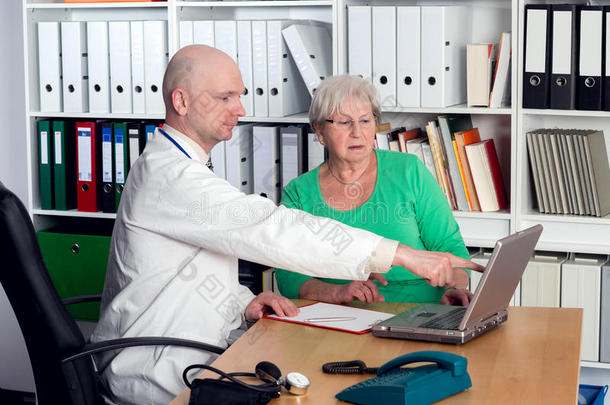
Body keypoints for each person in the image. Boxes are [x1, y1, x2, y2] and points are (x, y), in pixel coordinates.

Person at [90, 46, 483, 405]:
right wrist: (401, 255)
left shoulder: (184, 168)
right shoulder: (172, 178)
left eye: (240, 95)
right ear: (181, 100)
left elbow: (188, 273)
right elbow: (270, 229)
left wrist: (243, 303)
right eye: (225, 97)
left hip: (189, 349)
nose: (240, 109)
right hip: (154, 371)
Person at [276, 75, 473, 306]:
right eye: (344, 122)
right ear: (320, 132)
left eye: (365, 121)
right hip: (339, 319)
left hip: (420, 312)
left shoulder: (409, 171)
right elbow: (287, 273)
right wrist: (335, 292)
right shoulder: (299, 193)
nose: (357, 132)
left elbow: (450, 248)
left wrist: (455, 286)